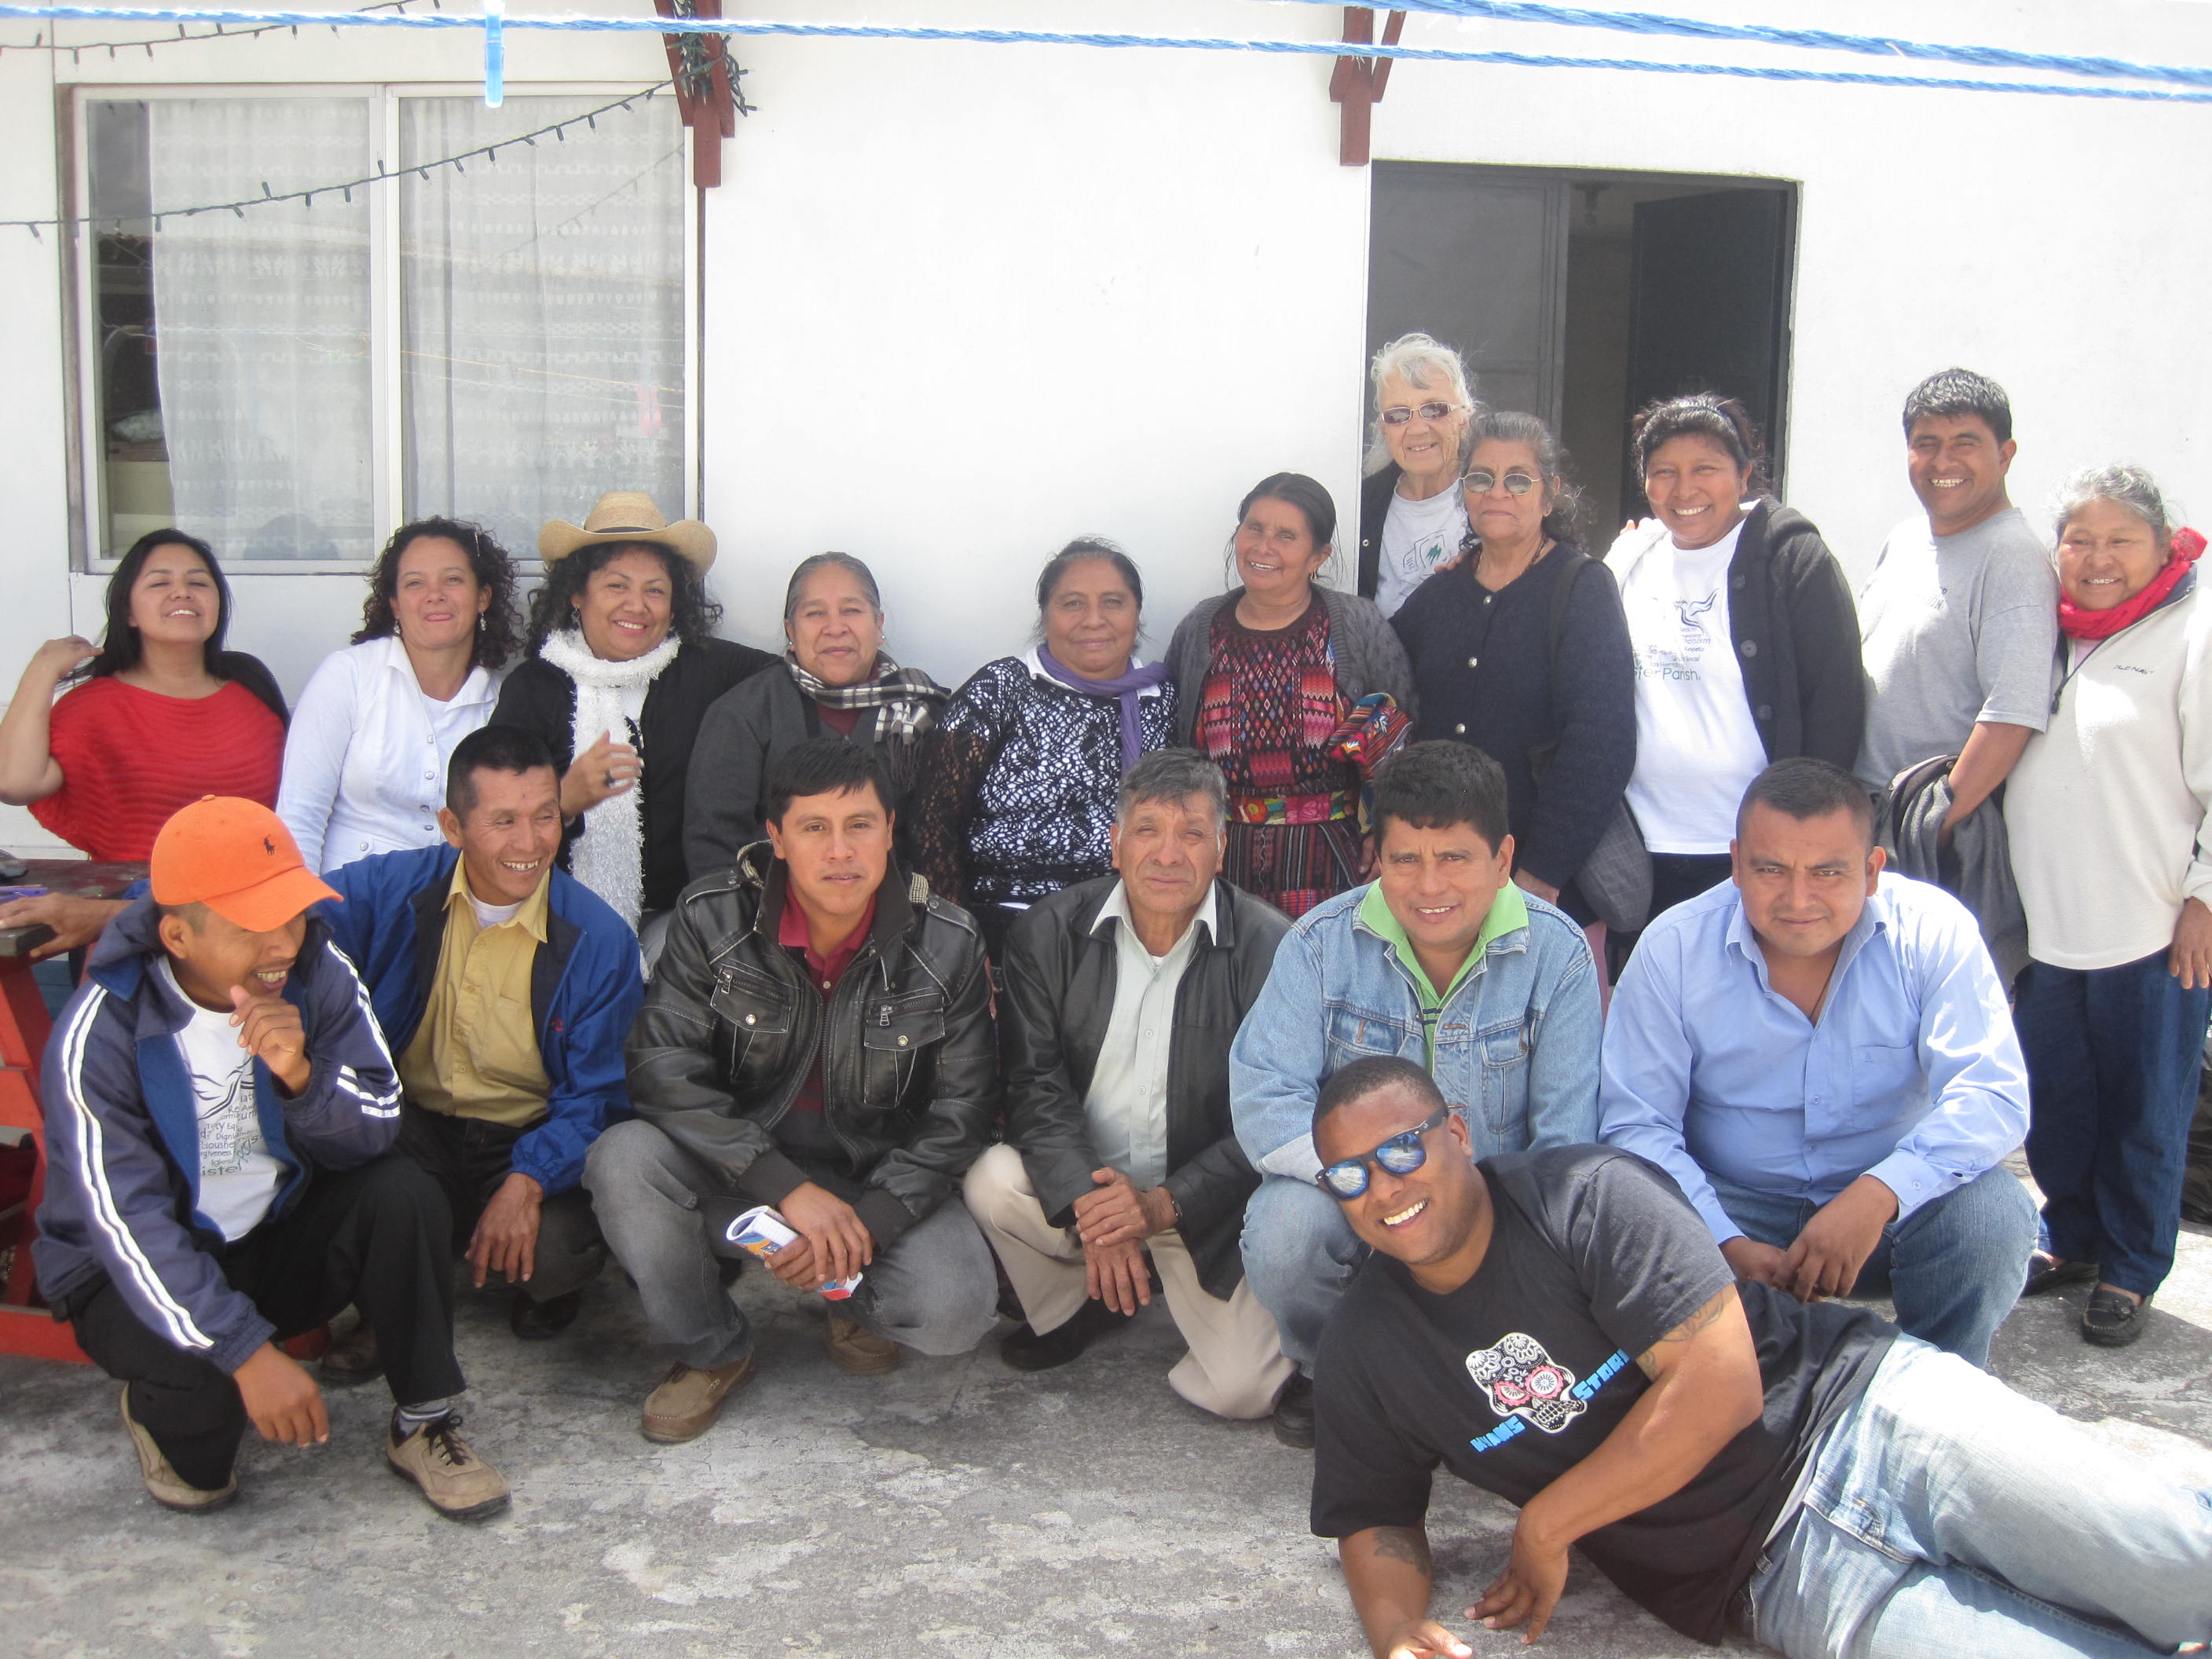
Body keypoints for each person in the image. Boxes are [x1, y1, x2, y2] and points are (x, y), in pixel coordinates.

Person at [1306, 1057, 2212, 1659]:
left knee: (2181, 1568)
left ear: (1457, 1134)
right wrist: (1395, 1631)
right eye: (1348, 1176)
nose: (1382, 1187)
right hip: (1781, 1580)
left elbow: (1719, 1388)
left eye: (1401, 1149)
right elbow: (1375, 1513)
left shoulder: (1585, 1196)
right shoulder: (1363, 1345)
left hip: (1872, 1418)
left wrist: (1547, 1525)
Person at [32, 797, 508, 1520]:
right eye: (252, 927)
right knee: (205, 1459)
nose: (282, 943)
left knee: (403, 1191)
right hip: (128, 1274)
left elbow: (382, 1120)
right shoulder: (100, 1034)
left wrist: (303, 1079)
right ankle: (162, 1405)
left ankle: (426, 1420)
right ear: (177, 935)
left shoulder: (316, 969)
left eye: (291, 914)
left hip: (268, 1232)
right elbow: (130, 1227)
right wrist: (245, 1353)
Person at [587, 739, 1000, 1444]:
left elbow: (962, 1114)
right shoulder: (712, 916)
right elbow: (663, 1067)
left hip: (872, 1176)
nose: (841, 851)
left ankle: (846, 1292)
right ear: (776, 839)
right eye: (814, 828)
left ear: (890, 830)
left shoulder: (949, 942)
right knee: (624, 1160)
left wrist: (866, 1225)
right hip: (740, 1171)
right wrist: (784, 1187)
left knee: (953, 1310)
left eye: (860, 825)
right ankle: (712, 1348)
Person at [1600, 759, 2036, 1368]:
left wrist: (1879, 1194)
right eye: (1771, 870)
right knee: (1618, 1219)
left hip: (1891, 1214)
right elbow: (1637, 1125)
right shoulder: (1673, 947)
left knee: (1994, 1216)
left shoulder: (1933, 932)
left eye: (1828, 872)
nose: (1798, 899)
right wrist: (1724, 1240)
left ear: (1873, 870)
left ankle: (1941, 1383)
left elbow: (1991, 1094)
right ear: (1736, 864)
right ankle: (1718, 1388)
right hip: (1731, 1204)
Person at [1230, 740, 1601, 1445]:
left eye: (1455, 858)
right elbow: (1264, 1098)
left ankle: (1462, 1372)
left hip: (1490, 1212)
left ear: (1502, 859)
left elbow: (1564, 1142)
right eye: (1406, 860)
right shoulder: (1319, 944)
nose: (1429, 886)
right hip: (1353, 1196)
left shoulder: (1557, 954)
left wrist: (1480, 1225)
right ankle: (1330, 1369)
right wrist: (1371, 1182)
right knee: (1283, 1233)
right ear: (1376, 857)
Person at [965, 750, 1296, 1425]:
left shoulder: (1271, 948)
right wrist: (1093, 1203)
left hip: (1204, 1207)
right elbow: (1034, 1086)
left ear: (1221, 850)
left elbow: (1275, 1119)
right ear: (1116, 843)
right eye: (1148, 830)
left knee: (1241, 1392)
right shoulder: (1046, 933)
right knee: (993, 1181)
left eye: (1192, 834)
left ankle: (1164, 1279)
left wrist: (1163, 1205)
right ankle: (1082, 1304)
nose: (1168, 854)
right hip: (1089, 1190)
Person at [310, 725, 643, 1368]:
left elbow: (600, 1095)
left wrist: (530, 1178)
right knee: (339, 1157)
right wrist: (128, 913)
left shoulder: (598, 938)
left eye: (545, 816)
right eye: (503, 821)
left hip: (524, 1133)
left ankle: (544, 1284)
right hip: (416, 1127)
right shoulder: (393, 891)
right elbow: (281, 913)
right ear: (453, 827)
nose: (530, 843)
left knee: (555, 1252)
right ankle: (390, 1307)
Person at [2007, 465, 2212, 1347]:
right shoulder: (2048, 633)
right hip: (2047, 928)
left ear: (2162, 547)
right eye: (2078, 540)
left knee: (2144, 1111)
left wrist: (2205, 900)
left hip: (2152, 929)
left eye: (2120, 540)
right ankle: (2073, 1239)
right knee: (2058, 1102)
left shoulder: (2193, 630)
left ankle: (2131, 1266)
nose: (2097, 559)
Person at [1606, 395, 1862, 923]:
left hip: (1755, 850)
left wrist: (1802, 836)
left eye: (1706, 469)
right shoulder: (1630, 560)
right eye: (1664, 472)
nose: (1685, 490)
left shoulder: (1791, 559)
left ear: (1744, 475)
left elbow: (1836, 703)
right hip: (1639, 849)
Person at [1390, 412, 1635, 946]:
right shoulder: (1441, 594)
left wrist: (1540, 875)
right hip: (1437, 885)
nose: (1497, 492)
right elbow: (1384, 682)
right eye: (1481, 478)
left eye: (1518, 480)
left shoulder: (1582, 588)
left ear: (1550, 495)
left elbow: (1601, 743)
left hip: (1538, 890)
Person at [490, 492, 775, 932]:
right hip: (559, 918)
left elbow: (801, 680)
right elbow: (494, 819)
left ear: (675, 604)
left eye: (655, 590)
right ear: (577, 593)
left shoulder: (714, 670)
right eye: (617, 586)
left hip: (690, 921)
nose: (637, 606)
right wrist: (564, 799)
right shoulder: (533, 688)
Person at [908, 540, 1174, 958]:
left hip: (1128, 928)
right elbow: (932, 821)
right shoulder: (1002, 689)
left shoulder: (1164, 700)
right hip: (1002, 927)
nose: (1094, 620)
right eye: (1072, 604)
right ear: (1045, 616)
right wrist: (957, 945)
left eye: (1112, 602)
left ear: (1136, 613)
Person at [1165, 474, 1416, 917]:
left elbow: (1406, 742)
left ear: (1319, 555)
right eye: (1254, 528)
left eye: (1286, 536)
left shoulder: (1356, 625)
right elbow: (1175, 749)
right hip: (1222, 870)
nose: (1264, 547)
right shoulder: (1201, 629)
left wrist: (1392, 832)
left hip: (1337, 867)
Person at [0, 529, 287, 864]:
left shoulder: (253, 691)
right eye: (159, 583)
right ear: (128, 612)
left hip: (262, 890)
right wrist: (41, 672)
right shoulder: (92, 708)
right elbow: (14, 784)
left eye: (198, 583)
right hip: (133, 893)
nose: (182, 592)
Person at [1855, 370, 2056, 837]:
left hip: (1925, 829)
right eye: (1926, 444)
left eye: (1965, 443)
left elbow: (2011, 716)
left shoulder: (2011, 556)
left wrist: (1932, 827)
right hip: (1868, 812)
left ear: (2005, 455)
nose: (1943, 461)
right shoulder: (1904, 539)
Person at [279, 518, 522, 874]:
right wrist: (310, 907)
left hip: (451, 900)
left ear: (483, 597)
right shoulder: (349, 675)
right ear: (395, 604)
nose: (434, 595)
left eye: (453, 580)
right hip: (343, 895)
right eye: (415, 583)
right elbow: (300, 815)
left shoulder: (505, 701)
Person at [684, 552, 946, 881]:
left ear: (878, 625)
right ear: (790, 630)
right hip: (769, 905)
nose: (835, 628)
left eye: (851, 610)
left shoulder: (925, 712)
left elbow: (943, 840)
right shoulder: (744, 713)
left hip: (898, 904)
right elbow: (713, 846)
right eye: (815, 613)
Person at [1356, 333, 1477, 619]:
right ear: (1383, 429)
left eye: (1435, 409)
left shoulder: (1495, 497)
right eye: (1398, 415)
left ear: (1465, 417)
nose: (1418, 428)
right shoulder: (1361, 506)